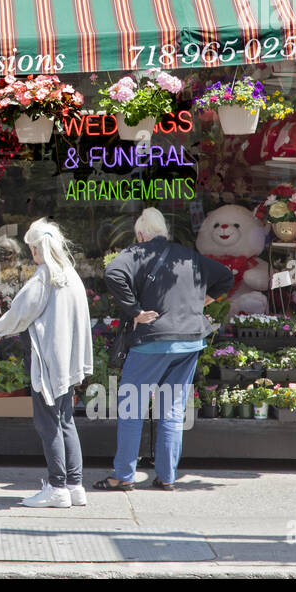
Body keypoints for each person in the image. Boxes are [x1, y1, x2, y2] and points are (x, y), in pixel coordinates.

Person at [97, 207, 233, 492]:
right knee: (172, 409)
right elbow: (226, 277)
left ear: (141, 234)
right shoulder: (188, 255)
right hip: (189, 341)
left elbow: (112, 273)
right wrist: (201, 302)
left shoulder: (137, 253)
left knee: (132, 407)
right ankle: (167, 476)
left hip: (152, 341)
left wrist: (135, 311)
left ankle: (124, 475)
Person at [0, 219, 93, 508]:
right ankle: (75, 486)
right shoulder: (70, 274)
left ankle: (57, 488)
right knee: (65, 421)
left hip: (49, 362)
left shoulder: (44, 277)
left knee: (48, 424)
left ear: (35, 249)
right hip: (69, 361)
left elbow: (19, 313)